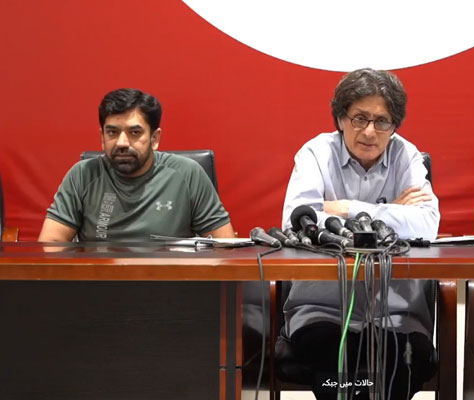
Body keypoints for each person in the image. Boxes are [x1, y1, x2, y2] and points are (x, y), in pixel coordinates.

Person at [280, 68, 440, 399]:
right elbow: (298, 221)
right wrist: (393, 213)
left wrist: (350, 208)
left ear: (394, 126)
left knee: (405, 365)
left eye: (382, 121)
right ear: (340, 118)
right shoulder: (315, 153)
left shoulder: (405, 155)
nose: (369, 131)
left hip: (397, 314)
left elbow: (427, 223)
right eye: (359, 119)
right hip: (323, 309)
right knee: (335, 366)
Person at [38, 88, 234, 242]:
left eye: (134, 133)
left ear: (155, 138)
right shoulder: (82, 175)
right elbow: (50, 244)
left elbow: (224, 244)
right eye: (112, 132)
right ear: (102, 137)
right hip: (99, 285)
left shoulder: (187, 174)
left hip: (170, 286)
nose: (122, 143)